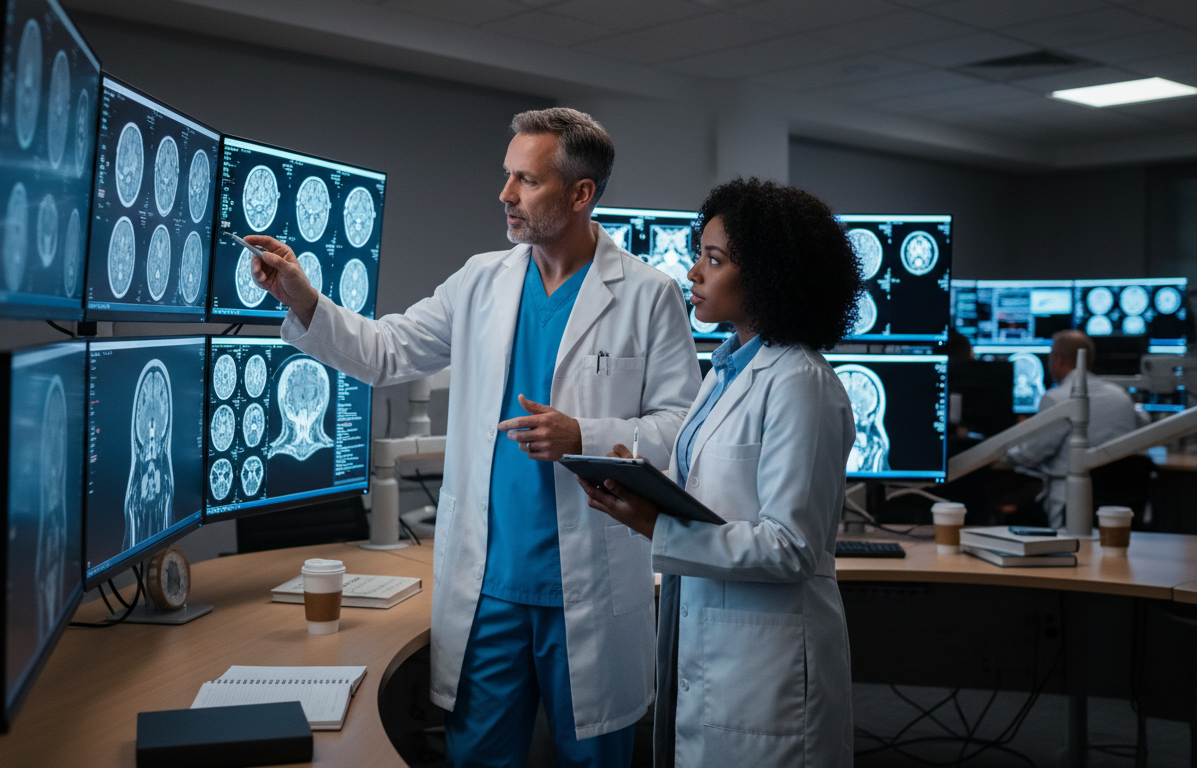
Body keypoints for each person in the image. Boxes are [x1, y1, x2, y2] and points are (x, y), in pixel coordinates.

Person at [248, 108, 701, 766]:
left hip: (591, 585)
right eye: (506, 175)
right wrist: (303, 298)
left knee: (594, 759)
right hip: (490, 585)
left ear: (581, 194)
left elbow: (683, 430)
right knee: (479, 758)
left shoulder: (647, 295)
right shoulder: (481, 280)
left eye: (526, 179)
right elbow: (386, 352)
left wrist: (587, 433)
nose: (505, 194)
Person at [578, 177, 860, 767]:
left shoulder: (800, 385)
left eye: (714, 260)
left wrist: (658, 525)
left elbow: (791, 547)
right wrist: (647, 484)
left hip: (768, 668)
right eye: (698, 255)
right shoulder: (725, 371)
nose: (693, 275)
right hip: (714, 637)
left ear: (767, 274)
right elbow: (721, 498)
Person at [1004, 330, 1144, 529]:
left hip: (1071, 505)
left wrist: (1002, 451)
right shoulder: (1121, 396)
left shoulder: (1057, 399)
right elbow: (1143, 429)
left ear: (1058, 359)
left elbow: (1027, 455)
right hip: (1120, 509)